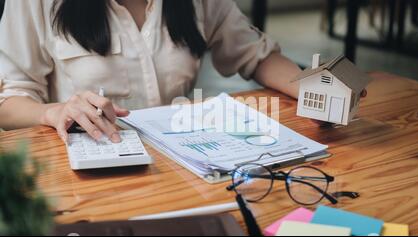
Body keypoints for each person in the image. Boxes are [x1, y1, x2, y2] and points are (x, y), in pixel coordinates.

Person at [0, 0, 364, 143]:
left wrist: (314, 90)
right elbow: (10, 102)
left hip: (186, 158)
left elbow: (256, 55)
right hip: (88, 167)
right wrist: (53, 111)